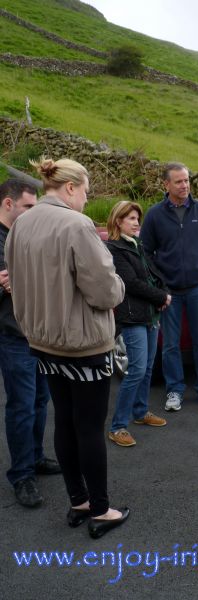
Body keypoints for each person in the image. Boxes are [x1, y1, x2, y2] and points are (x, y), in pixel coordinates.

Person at [5, 158, 129, 538]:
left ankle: (78, 501)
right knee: (90, 427)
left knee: (65, 421)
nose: (86, 200)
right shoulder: (77, 225)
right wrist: (121, 287)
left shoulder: (20, 224)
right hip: (83, 344)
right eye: (87, 192)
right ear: (71, 187)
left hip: (41, 341)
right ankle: (101, 509)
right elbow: (106, 291)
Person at [140, 162, 198, 412]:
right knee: (171, 345)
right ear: (166, 184)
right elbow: (145, 252)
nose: (185, 185)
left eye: (186, 180)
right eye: (178, 181)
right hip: (170, 292)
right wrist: (160, 283)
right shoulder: (154, 214)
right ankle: (174, 390)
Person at [0, 179, 61, 509]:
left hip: (40, 335)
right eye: (27, 207)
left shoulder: (26, 236)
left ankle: (36, 457)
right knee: (22, 406)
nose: (32, 214)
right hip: (14, 337)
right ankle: (21, 474)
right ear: (8, 204)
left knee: (40, 401)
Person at [106, 200, 171, 447]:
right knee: (136, 371)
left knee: (146, 368)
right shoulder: (114, 249)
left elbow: (153, 274)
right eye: (131, 218)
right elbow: (131, 283)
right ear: (118, 221)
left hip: (151, 315)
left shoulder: (137, 246)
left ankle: (141, 412)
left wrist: (163, 291)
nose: (136, 223)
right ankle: (118, 426)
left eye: (137, 218)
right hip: (132, 317)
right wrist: (161, 297)